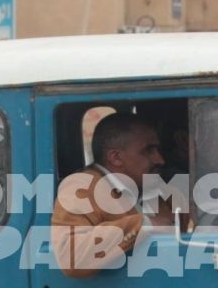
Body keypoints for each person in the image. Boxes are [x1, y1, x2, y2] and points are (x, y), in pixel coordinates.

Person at [51, 113, 173, 277]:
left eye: (157, 150)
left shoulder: (154, 188)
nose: (160, 159)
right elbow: (72, 257)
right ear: (115, 158)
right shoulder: (82, 189)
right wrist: (144, 225)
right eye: (148, 150)